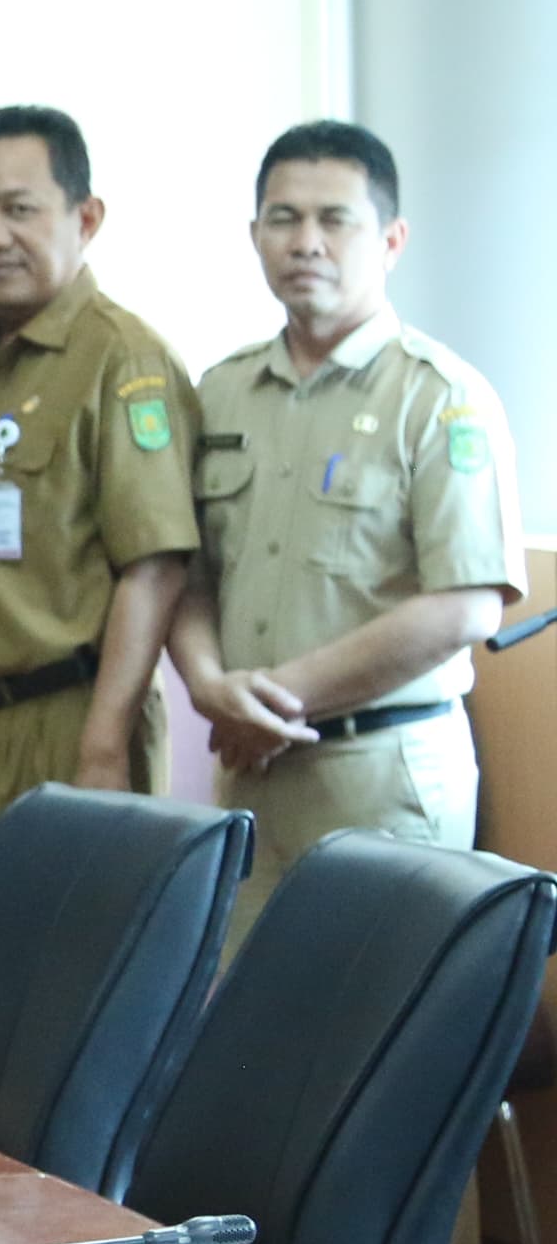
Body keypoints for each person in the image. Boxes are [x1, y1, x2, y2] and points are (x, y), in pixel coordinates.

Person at [170, 121, 520, 937]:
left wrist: (274, 698)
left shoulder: (440, 395)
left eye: (335, 219)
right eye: (283, 219)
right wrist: (208, 685)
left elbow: (468, 602)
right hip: (253, 777)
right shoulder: (220, 392)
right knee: (248, 1003)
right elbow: (188, 572)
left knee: (380, 1006)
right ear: (254, 235)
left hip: (384, 777)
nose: (306, 242)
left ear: (391, 240)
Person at [0, 104, 199, 936]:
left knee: (69, 979)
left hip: (63, 722)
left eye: (19, 208)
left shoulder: (122, 359)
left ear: (85, 216)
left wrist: (102, 747)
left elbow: (155, 566)